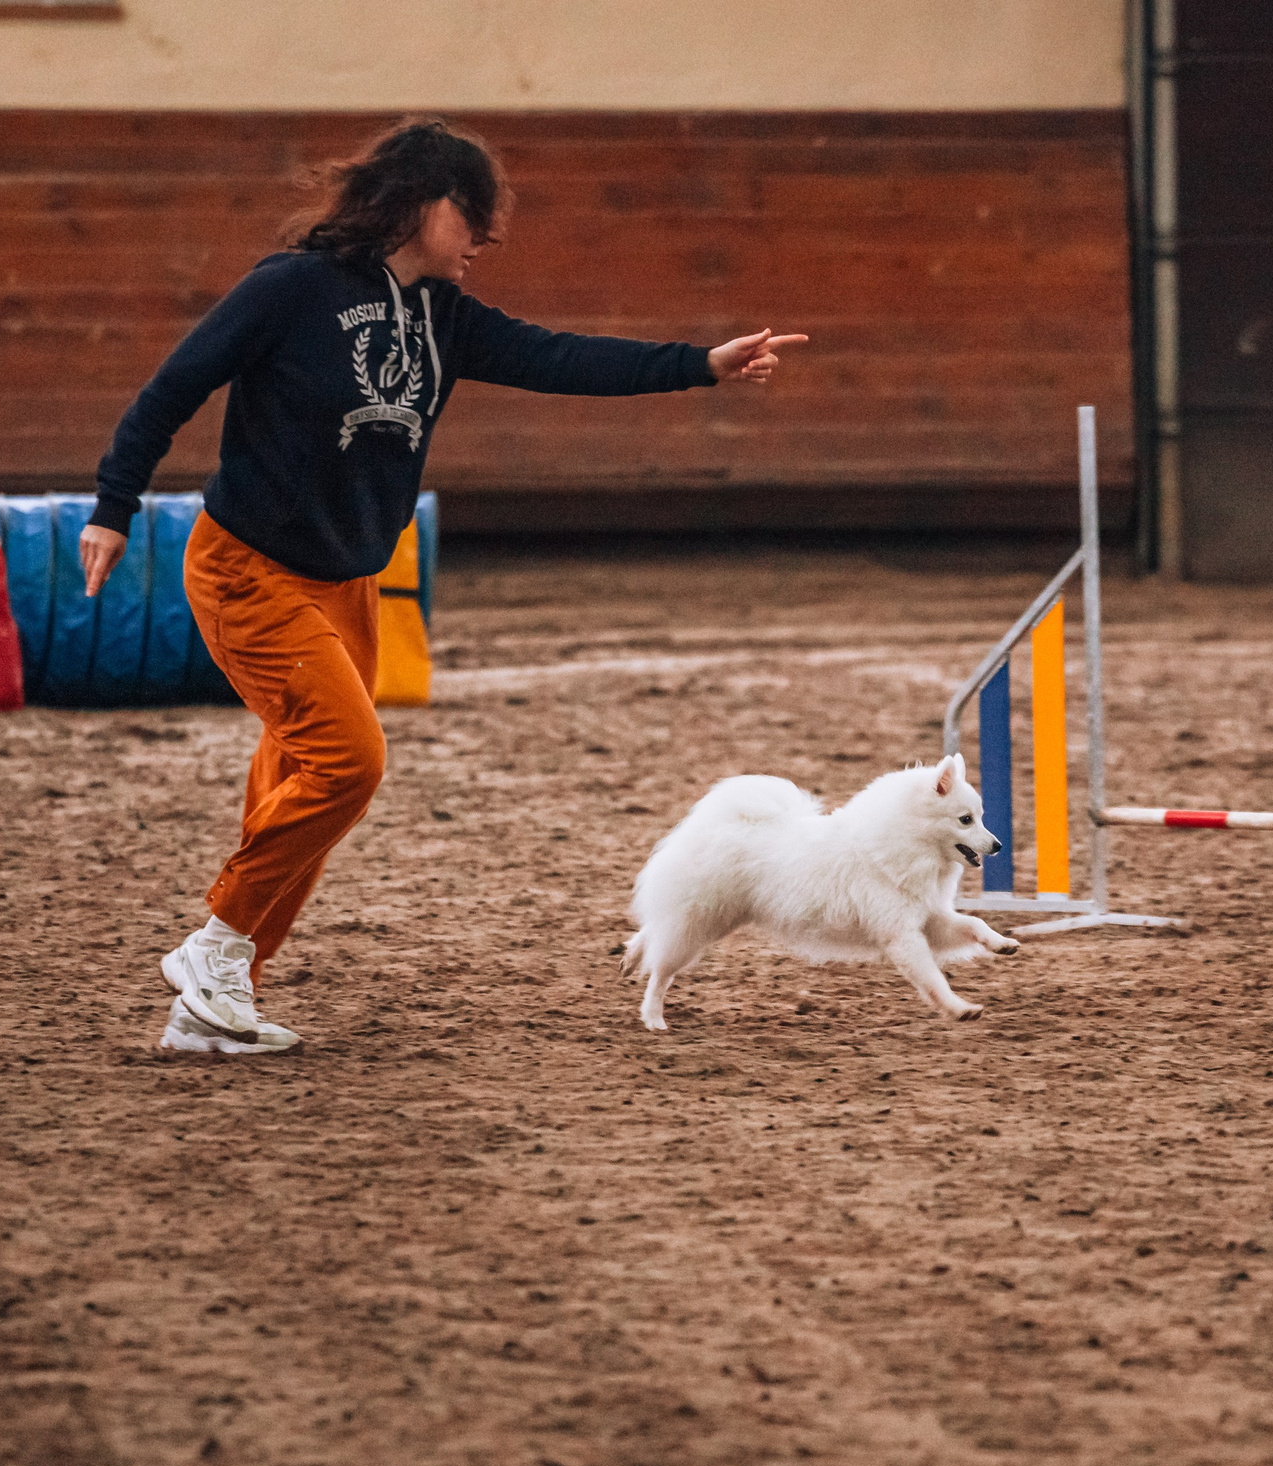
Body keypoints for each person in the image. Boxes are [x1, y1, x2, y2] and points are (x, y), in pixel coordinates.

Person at [81, 118, 805, 1054]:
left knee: (299, 788)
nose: (485, 239)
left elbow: (559, 357)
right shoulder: (290, 288)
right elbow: (171, 388)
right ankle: (216, 943)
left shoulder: (444, 318)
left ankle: (211, 1008)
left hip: (347, 583)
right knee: (350, 761)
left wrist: (698, 365)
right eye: (473, 218)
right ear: (423, 202)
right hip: (247, 568)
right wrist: (112, 504)